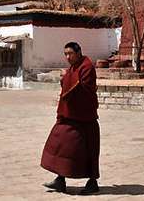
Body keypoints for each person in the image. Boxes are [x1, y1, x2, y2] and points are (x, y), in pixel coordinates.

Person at [41, 42, 100, 195]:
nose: (68, 57)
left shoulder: (87, 67)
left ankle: (92, 182)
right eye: (65, 54)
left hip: (84, 118)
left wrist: (67, 82)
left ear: (79, 52)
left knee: (87, 150)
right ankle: (60, 179)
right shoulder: (73, 67)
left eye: (70, 54)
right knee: (60, 145)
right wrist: (64, 79)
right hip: (69, 116)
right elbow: (68, 84)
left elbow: (85, 89)